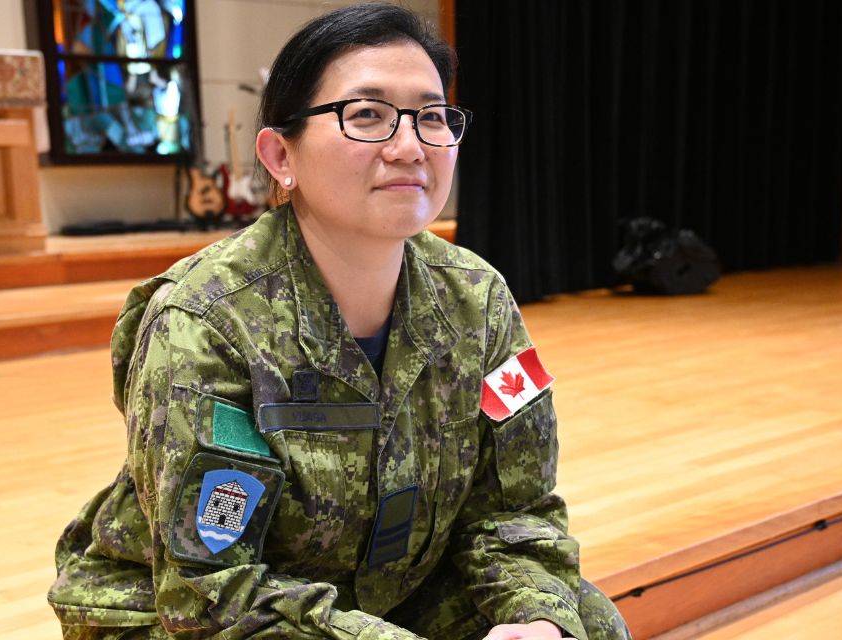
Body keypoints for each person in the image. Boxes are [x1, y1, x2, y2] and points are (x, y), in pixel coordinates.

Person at [47, 3, 631, 639]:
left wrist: (533, 617)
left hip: (397, 591)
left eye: (432, 117)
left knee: (586, 623)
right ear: (280, 155)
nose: (409, 146)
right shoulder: (204, 319)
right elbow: (210, 591)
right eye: (367, 115)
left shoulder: (478, 299)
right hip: (194, 617)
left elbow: (516, 511)